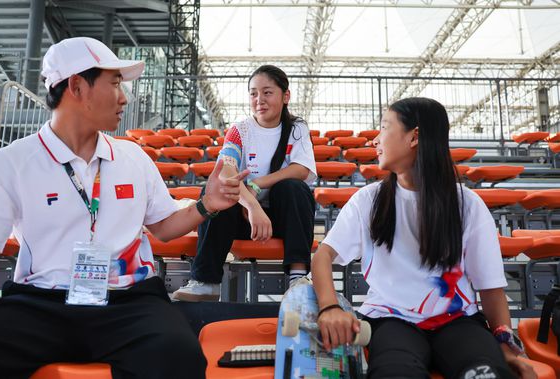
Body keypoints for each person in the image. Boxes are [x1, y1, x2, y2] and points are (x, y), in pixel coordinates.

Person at [0, 37, 248, 379]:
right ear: (76, 86)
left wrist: (207, 205)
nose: (123, 97)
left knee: (178, 355)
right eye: (114, 84)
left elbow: (164, 227)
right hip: (41, 302)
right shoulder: (10, 164)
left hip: (128, 301)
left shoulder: (132, 156)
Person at [312, 97, 536, 379]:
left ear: (414, 136)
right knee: (395, 372)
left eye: (384, 128)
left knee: (487, 373)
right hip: (390, 321)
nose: (375, 140)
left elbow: (491, 289)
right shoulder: (368, 201)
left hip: (460, 321)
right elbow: (323, 256)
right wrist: (329, 307)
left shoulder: (466, 204)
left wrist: (504, 343)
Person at [173, 65, 317, 302]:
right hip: (243, 219)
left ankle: (298, 277)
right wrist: (252, 206)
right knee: (216, 192)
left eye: (267, 92)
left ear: (285, 96)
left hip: (283, 221)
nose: (259, 99)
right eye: (253, 93)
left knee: (293, 187)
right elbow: (227, 173)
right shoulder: (239, 130)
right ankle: (206, 281)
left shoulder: (297, 129)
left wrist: (258, 184)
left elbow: (301, 170)